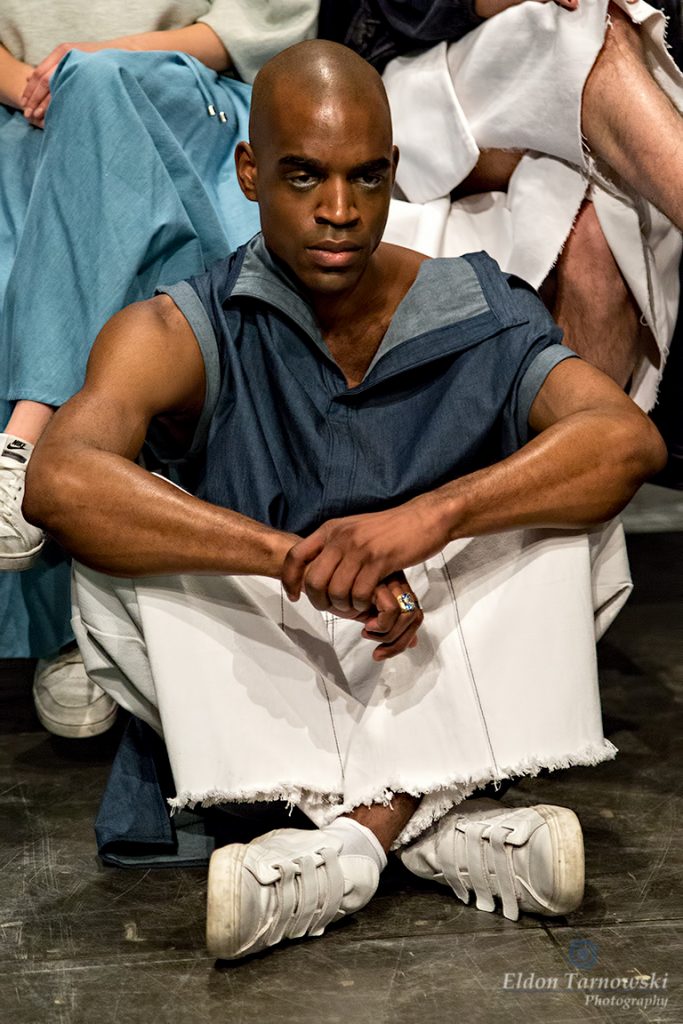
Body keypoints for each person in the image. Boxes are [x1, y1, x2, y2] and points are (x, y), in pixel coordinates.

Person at [24, 40, 666, 961]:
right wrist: (292, 560)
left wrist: (430, 520)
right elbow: (58, 478)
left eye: (365, 177)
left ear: (392, 172)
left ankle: (348, 845)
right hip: (280, 650)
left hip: (428, 639)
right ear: (250, 173)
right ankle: (433, 824)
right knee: (109, 557)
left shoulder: (472, 303)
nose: (339, 210)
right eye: (303, 176)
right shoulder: (182, 325)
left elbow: (624, 439)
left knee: (580, 510)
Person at [0, 1, 317, 736]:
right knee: (20, 258)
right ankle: (74, 625)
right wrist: (30, 86)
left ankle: (24, 445)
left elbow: (260, 23)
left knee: (97, 93)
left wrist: (89, 63)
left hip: (185, 98)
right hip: (24, 111)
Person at [325, 0, 683, 412]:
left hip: (573, 117)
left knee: (601, 238)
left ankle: (578, 448)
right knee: (593, 31)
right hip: (408, 84)